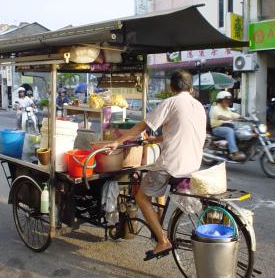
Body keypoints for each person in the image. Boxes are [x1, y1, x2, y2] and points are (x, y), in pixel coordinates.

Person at [92, 71, 206, 260]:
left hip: (172, 164)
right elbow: (180, 130)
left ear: (172, 87)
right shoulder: (199, 106)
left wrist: (117, 142)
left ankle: (162, 240)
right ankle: (159, 226)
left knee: (141, 196)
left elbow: (140, 127)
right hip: (193, 163)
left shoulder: (171, 102)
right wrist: (157, 139)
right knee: (157, 189)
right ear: (191, 88)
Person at [209, 91, 246, 161]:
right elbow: (219, 116)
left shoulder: (227, 108)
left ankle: (242, 148)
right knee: (229, 131)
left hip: (227, 126)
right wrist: (228, 118)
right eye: (226, 99)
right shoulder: (215, 107)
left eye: (229, 100)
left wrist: (243, 117)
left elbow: (233, 114)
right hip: (217, 127)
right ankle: (234, 153)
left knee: (240, 131)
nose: (228, 101)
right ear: (220, 100)